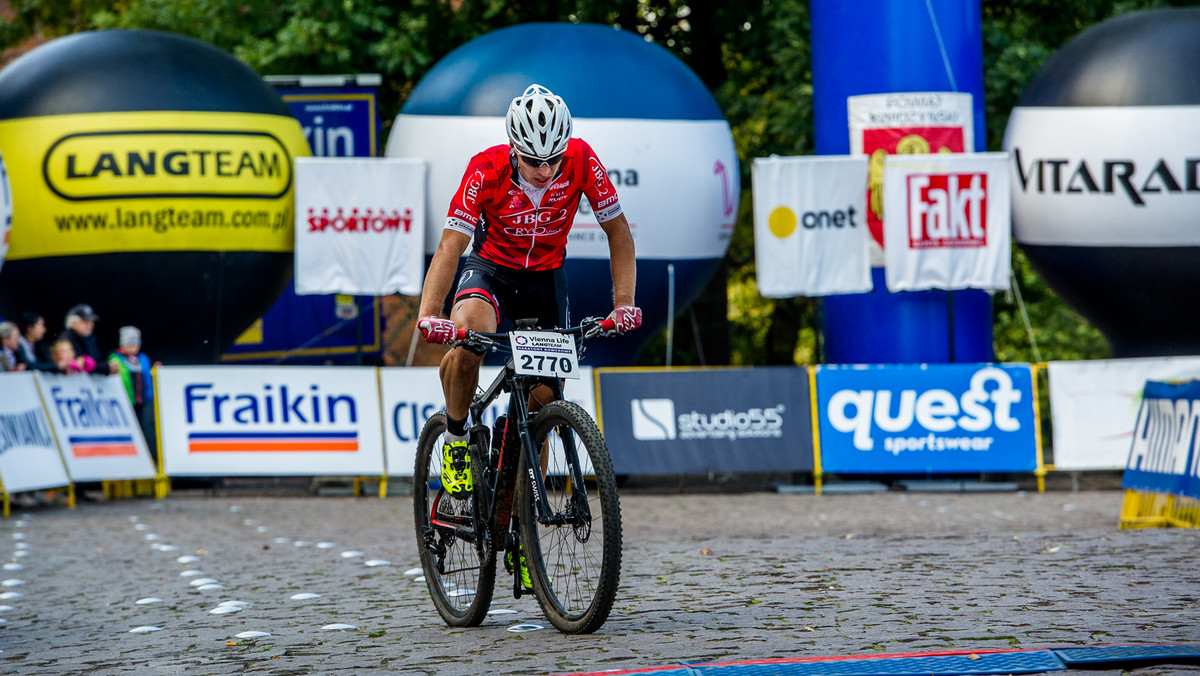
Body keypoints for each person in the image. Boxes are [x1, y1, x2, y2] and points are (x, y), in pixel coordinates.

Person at [415, 83, 642, 503]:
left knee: (545, 397)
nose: (545, 169)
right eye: (534, 160)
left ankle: (521, 516)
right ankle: (456, 436)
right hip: (491, 271)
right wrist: (432, 312)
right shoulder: (485, 168)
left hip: (545, 277)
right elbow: (451, 244)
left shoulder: (581, 159)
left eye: (553, 158)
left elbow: (619, 232)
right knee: (468, 341)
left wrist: (623, 304)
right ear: (514, 148)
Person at [108, 326, 161, 461]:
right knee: (128, 431)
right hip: (125, 401)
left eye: (136, 343)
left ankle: (146, 458)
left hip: (143, 401)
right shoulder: (116, 358)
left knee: (144, 430)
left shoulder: (142, 358)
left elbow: (146, 377)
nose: (134, 347)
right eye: (131, 343)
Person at [62, 303, 114, 374]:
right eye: (86, 321)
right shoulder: (66, 339)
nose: (90, 325)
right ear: (73, 322)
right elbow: (83, 363)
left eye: (91, 321)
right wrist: (105, 367)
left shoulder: (90, 338)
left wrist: (108, 366)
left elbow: (97, 360)